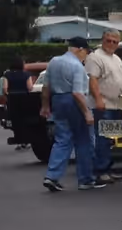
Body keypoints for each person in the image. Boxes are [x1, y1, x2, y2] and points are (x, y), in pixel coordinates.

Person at [39, 36, 105, 192]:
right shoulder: (77, 66)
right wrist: (87, 112)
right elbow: (77, 93)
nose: (87, 56)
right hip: (73, 102)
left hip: (57, 100)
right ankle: (85, 179)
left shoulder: (54, 62)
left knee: (62, 139)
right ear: (80, 49)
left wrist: (45, 105)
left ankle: (52, 176)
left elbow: (45, 87)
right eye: (87, 52)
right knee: (84, 140)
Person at [85, 30, 122, 181]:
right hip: (105, 105)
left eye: (115, 42)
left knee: (112, 139)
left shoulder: (116, 59)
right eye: (108, 40)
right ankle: (100, 171)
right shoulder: (95, 57)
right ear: (102, 40)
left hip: (117, 105)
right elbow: (93, 80)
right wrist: (98, 100)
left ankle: (107, 168)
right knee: (103, 138)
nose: (111, 44)